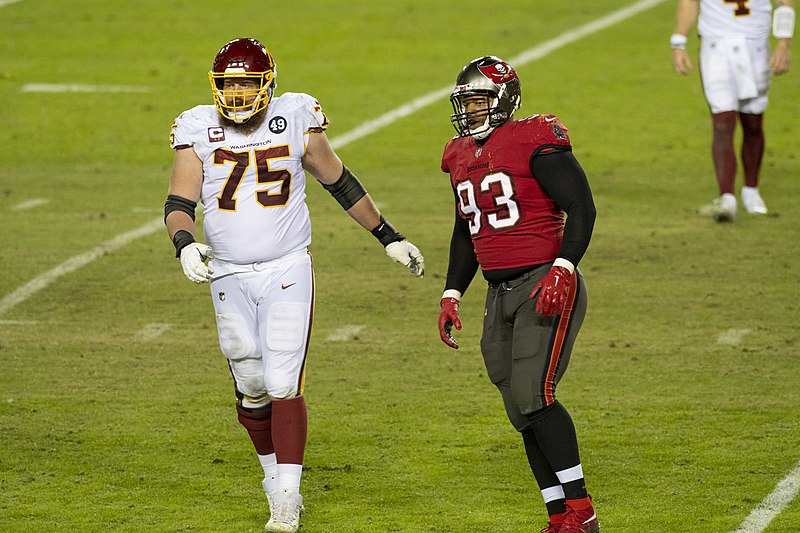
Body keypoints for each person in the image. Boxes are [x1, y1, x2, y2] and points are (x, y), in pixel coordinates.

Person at [164, 37, 424, 533]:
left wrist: (387, 235)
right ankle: (271, 479)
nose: (238, 95)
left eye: (246, 83)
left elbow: (340, 182)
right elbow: (180, 198)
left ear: (268, 84)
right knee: (251, 384)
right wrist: (184, 243)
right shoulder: (198, 126)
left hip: (285, 266)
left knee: (283, 381)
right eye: (230, 84)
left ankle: (287, 497)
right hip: (228, 271)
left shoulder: (296, 116)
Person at [436, 56, 599, 533]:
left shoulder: (535, 139)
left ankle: (582, 510)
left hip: (543, 282)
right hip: (497, 292)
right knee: (518, 406)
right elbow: (466, 231)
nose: (470, 110)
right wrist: (452, 293)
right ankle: (557, 515)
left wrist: (565, 267)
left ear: (505, 100)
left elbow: (581, 205)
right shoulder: (458, 153)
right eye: (465, 101)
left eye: (480, 99)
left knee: (535, 394)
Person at [671, 0, 794, 222]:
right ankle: (726, 196)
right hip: (715, 44)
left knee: (753, 121)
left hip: (755, 43)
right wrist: (679, 41)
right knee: (723, 121)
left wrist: (784, 42)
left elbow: (784, 2)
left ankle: (751, 190)